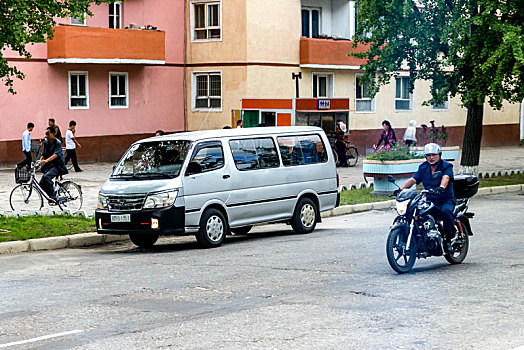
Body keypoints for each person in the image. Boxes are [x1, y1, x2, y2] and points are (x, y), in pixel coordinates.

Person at [398, 143, 455, 252]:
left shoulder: (446, 166)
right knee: (418, 214)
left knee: (446, 211)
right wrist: (401, 189)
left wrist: (441, 187)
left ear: (439, 155)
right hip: (431, 201)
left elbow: (446, 177)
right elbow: (414, 179)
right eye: (428, 155)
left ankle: (448, 239)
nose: (431, 157)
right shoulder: (423, 167)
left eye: (434, 155)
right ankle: (424, 239)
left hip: (445, 199)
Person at [39, 126, 68, 202]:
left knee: (46, 178)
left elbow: (56, 155)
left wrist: (46, 161)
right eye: (46, 134)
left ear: (53, 134)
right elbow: (43, 154)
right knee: (41, 183)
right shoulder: (46, 142)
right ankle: (51, 196)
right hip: (50, 166)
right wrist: (40, 161)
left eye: (48, 134)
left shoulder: (57, 142)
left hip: (58, 166)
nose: (46, 136)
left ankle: (54, 196)